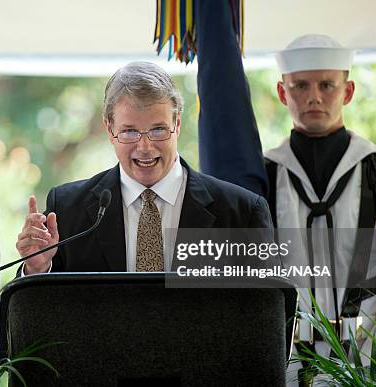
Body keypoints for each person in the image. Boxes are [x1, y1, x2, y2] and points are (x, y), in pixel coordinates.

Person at [16, 61, 273, 275]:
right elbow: (41, 313)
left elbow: (266, 317)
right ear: (110, 130)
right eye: (129, 132)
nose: (145, 147)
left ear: (178, 124)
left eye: (158, 130)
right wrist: (37, 267)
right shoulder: (67, 209)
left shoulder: (241, 213)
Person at [265, 34, 376, 385]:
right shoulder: (263, 177)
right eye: (300, 85)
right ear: (282, 92)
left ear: (347, 92)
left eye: (327, 85)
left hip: (375, 363)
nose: (314, 96)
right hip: (283, 366)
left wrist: (373, 362)